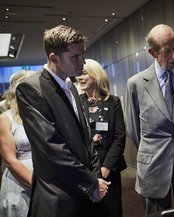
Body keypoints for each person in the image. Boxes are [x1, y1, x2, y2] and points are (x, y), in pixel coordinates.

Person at [15, 25, 110, 217]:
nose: (82, 62)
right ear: (53, 58)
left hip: (85, 193)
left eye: (82, 54)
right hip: (60, 196)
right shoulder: (30, 89)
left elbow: (86, 138)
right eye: (75, 57)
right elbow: (52, 149)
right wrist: (91, 182)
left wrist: (95, 177)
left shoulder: (71, 85)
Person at [125, 24, 174, 215]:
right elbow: (134, 129)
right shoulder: (136, 84)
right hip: (153, 165)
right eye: (167, 51)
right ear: (152, 52)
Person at [78, 58, 127, 217]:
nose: (80, 77)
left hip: (109, 168)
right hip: (86, 171)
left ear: (96, 75)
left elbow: (119, 137)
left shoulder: (113, 102)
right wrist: (91, 175)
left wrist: (105, 169)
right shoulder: (76, 103)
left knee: (111, 211)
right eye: (79, 73)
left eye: (84, 73)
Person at [0, 70, 34, 217]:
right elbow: (10, 160)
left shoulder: (42, 114)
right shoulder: (5, 119)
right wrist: (36, 185)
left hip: (47, 179)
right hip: (19, 182)